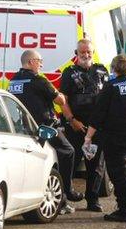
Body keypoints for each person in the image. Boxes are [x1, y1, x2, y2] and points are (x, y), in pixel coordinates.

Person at [8, 49, 85, 213]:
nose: (41, 64)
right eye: (39, 60)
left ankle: (59, 201)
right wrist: (62, 96)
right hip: (45, 128)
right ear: (31, 62)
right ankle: (67, 191)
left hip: (22, 129)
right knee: (68, 151)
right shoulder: (39, 81)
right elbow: (60, 100)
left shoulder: (13, 81)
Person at [83, 54, 126, 223]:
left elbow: (98, 114)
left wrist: (88, 137)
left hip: (117, 135)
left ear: (113, 69)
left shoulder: (110, 86)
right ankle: (125, 206)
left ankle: (125, 209)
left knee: (119, 173)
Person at [59, 39, 110, 212]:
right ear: (76, 53)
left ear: (93, 52)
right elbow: (62, 100)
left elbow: (108, 97)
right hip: (76, 125)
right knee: (70, 164)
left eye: (88, 52)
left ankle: (93, 199)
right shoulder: (69, 72)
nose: (86, 55)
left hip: (97, 126)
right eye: (82, 52)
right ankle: (64, 199)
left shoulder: (102, 70)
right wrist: (71, 120)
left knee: (96, 165)